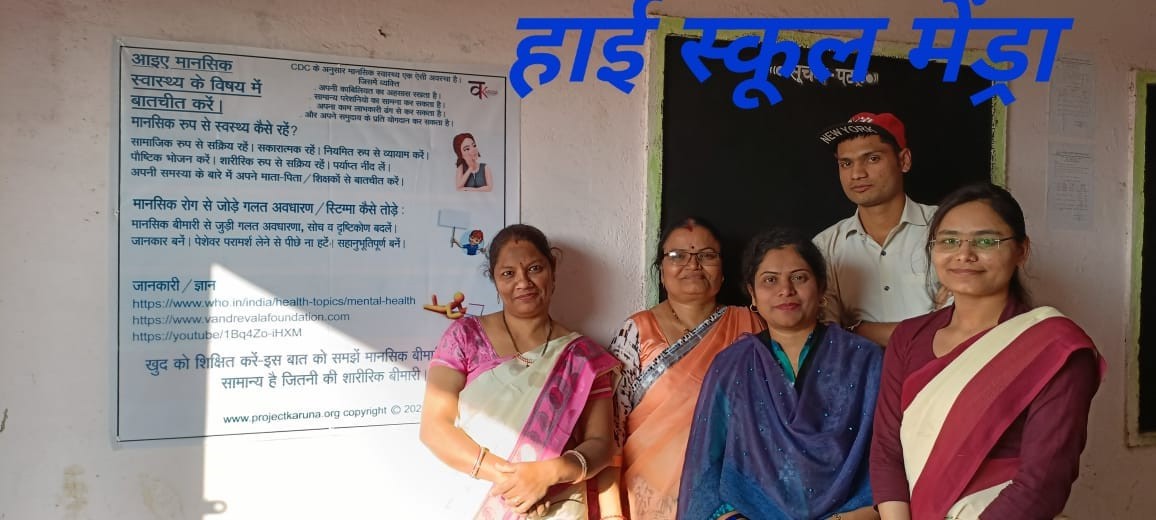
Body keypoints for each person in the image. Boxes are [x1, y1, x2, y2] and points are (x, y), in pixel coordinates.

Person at [870, 183, 1105, 520]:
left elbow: (1043, 484)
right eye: (949, 241)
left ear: (1021, 250)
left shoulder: (1056, 348)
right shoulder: (908, 337)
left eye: (986, 241)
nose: (964, 254)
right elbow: (887, 451)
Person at [678, 227, 883, 520]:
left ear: (821, 287)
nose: (785, 290)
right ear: (752, 293)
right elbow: (705, 475)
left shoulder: (864, 359)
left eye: (799, 278)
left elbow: (888, 464)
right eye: (770, 280)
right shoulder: (731, 366)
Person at [419, 224, 621, 518]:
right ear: (495, 280)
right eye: (508, 274)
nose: (523, 282)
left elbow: (601, 445)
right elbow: (435, 428)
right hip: (477, 498)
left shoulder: (583, 357)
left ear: (552, 271)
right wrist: (516, 482)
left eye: (534, 269)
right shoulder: (465, 337)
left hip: (558, 503)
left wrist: (547, 475)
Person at [605, 217, 764, 519]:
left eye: (707, 255)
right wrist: (611, 512)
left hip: (732, 501)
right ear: (661, 271)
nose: (693, 265)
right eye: (678, 256)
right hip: (646, 496)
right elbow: (611, 427)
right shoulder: (636, 331)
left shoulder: (751, 325)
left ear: (722, 270)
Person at [814, 112, 941, 346]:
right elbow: (828, 338)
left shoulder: (947, 227)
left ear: (904, 161)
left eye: (872, 159)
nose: (857, 174)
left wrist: (856, 329)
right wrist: (930, 327)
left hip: (945, 367)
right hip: (859, 370)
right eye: (846, 163)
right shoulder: (825, 246)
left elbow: (964, 325)